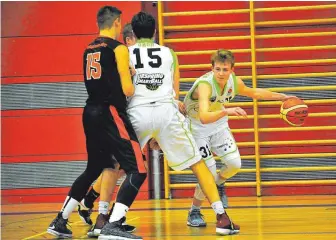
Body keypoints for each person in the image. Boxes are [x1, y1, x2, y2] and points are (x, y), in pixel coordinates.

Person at [99, 12, 240, 239]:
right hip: (166, 112)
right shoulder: (169, 53)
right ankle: (222, 217)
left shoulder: (124, 52)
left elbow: (120, 88)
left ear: (132, 34)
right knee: (199, 164)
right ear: (154, 31)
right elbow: (174, 92)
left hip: (137, 112)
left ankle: (104, 217)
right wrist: (160, 133)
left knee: (115, 164)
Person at [47, 6, 147, 239]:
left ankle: (60, 219)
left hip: (90, 111)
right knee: (138, 168)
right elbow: (127, 89)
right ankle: (113, 225)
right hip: (110, 111)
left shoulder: (88, 49)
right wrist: (133, 75)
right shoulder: (119, 48)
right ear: (117, 22)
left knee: (94, 168)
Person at [183, 49, 294, 227]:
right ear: (212, 69)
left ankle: (218, 184)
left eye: (225, 70)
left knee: (235, 165)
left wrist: (283, 97)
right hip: (197, 128)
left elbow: (255, 93)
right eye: (217, 69)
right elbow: (204, 116)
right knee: (208, 174)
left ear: (232, 70)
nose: (221, 73)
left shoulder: (234, 82)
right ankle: (194, 211)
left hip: (218, 125)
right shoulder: (205, 85)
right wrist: (227, 110)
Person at [77, 23, 139, 237]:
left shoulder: (106, 52)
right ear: (130, 39)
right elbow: (126, 89)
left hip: (118, 114)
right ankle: (104, 215)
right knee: (122, 166)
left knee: (117, 166)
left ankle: (93, 205)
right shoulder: (121, 52)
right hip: (117, 115)